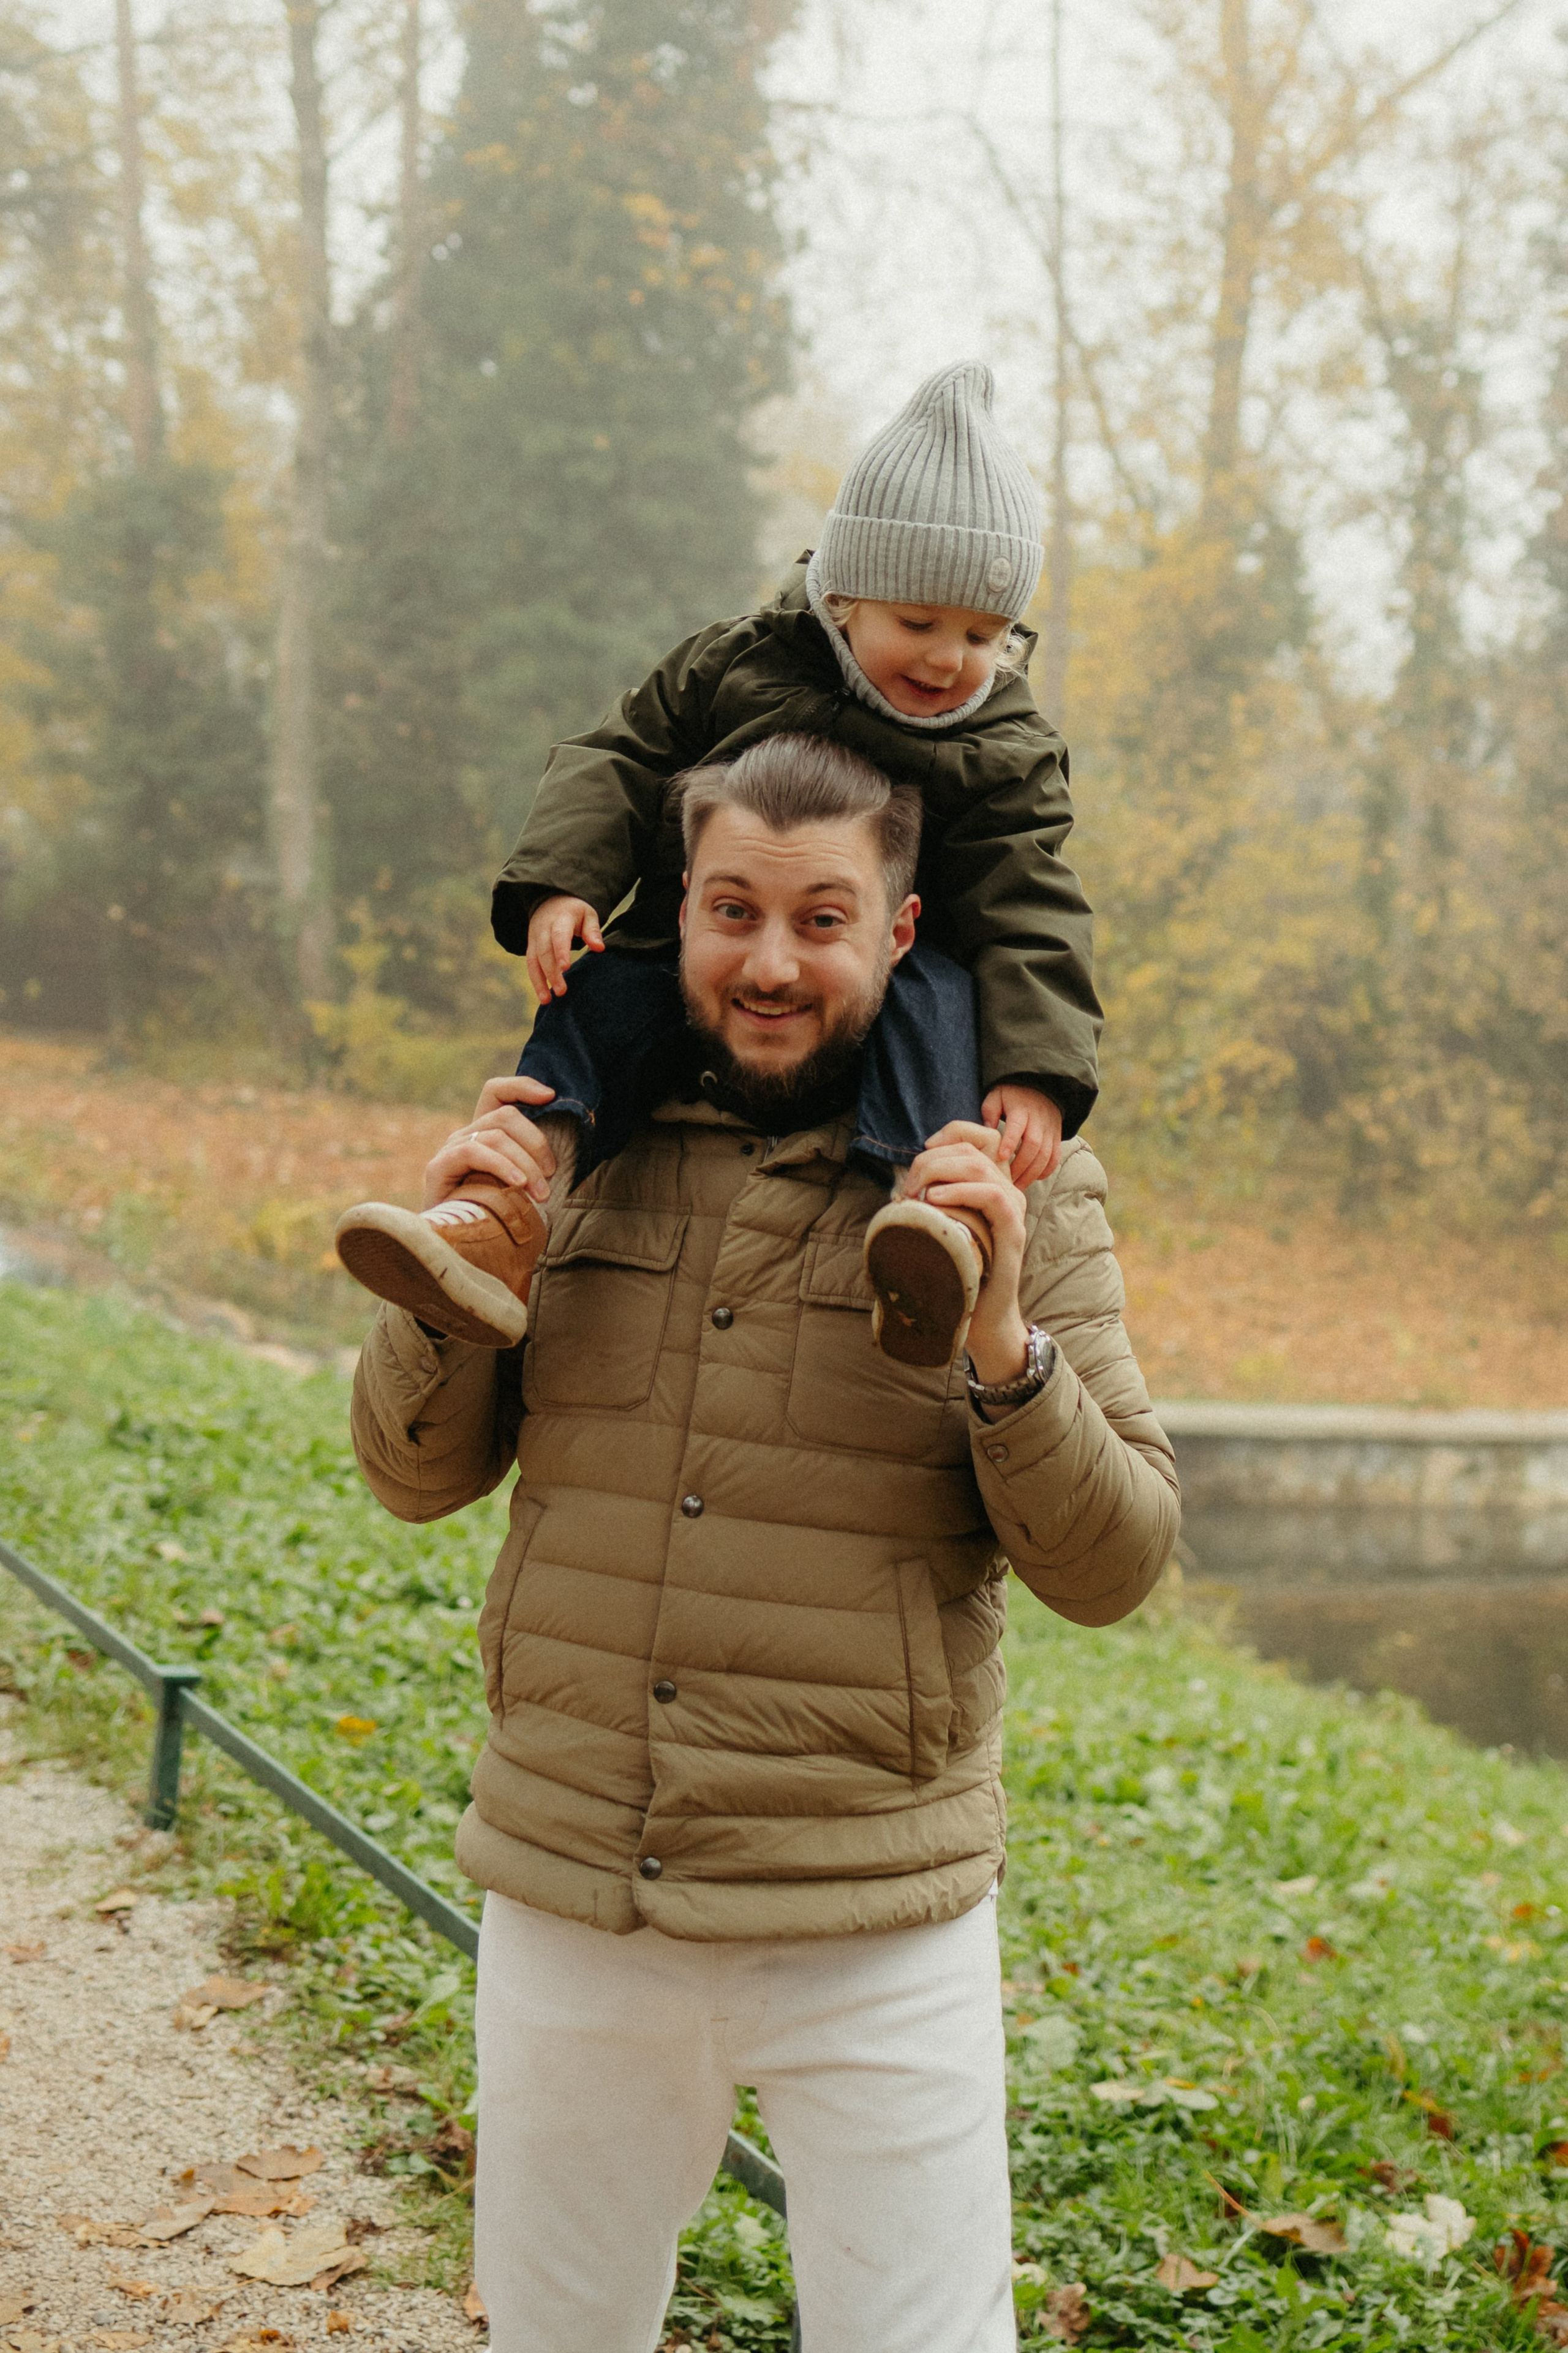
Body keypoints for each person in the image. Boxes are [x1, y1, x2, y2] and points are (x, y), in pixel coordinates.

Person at [349, 736, 1178, 2353]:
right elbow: (407, 1474)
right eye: (734, 910)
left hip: (875, 1930)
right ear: (680, 918)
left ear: (902, 928)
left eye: (823, 918)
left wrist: (1006, 1344)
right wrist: (448, 1286)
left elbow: (1116, 1563)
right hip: (576, 1902)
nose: (775, 963)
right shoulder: (573, 1141)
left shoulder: (1021, 1188)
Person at [336, 361, 1101, 1370]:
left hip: (888, 971)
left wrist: (1036, 1072)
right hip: (695, 941)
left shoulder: (1005, 743)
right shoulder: (739, 662)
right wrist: (566, 881)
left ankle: (932, 1230)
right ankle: (507, 1206)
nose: (948, 659)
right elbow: (620, 754)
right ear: (841, 595)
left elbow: (1034, 905)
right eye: (917, 624)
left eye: (984, 635)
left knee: (939, 1008)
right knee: (595, 995)